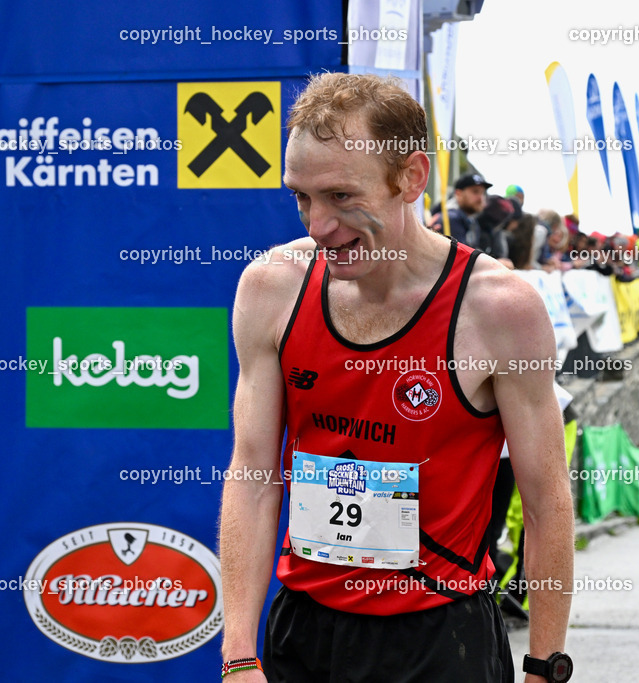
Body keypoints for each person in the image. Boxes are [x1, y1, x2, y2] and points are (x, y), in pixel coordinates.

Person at [219, 72, 574, 683]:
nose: (317, 226)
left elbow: (546, 503)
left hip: (439, 639)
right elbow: (253, 476)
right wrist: (238, 656)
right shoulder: (272, 287)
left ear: (411, 178)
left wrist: (545, 666)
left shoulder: (497, 308)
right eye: (301, 197)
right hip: (303, 632)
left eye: (341, 197)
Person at [431, 173, 492, 243]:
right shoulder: (451, 218)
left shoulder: (470, 220)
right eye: (475, 191)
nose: (481, 198)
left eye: (483, 193)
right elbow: (461, 253)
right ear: (458, 194)